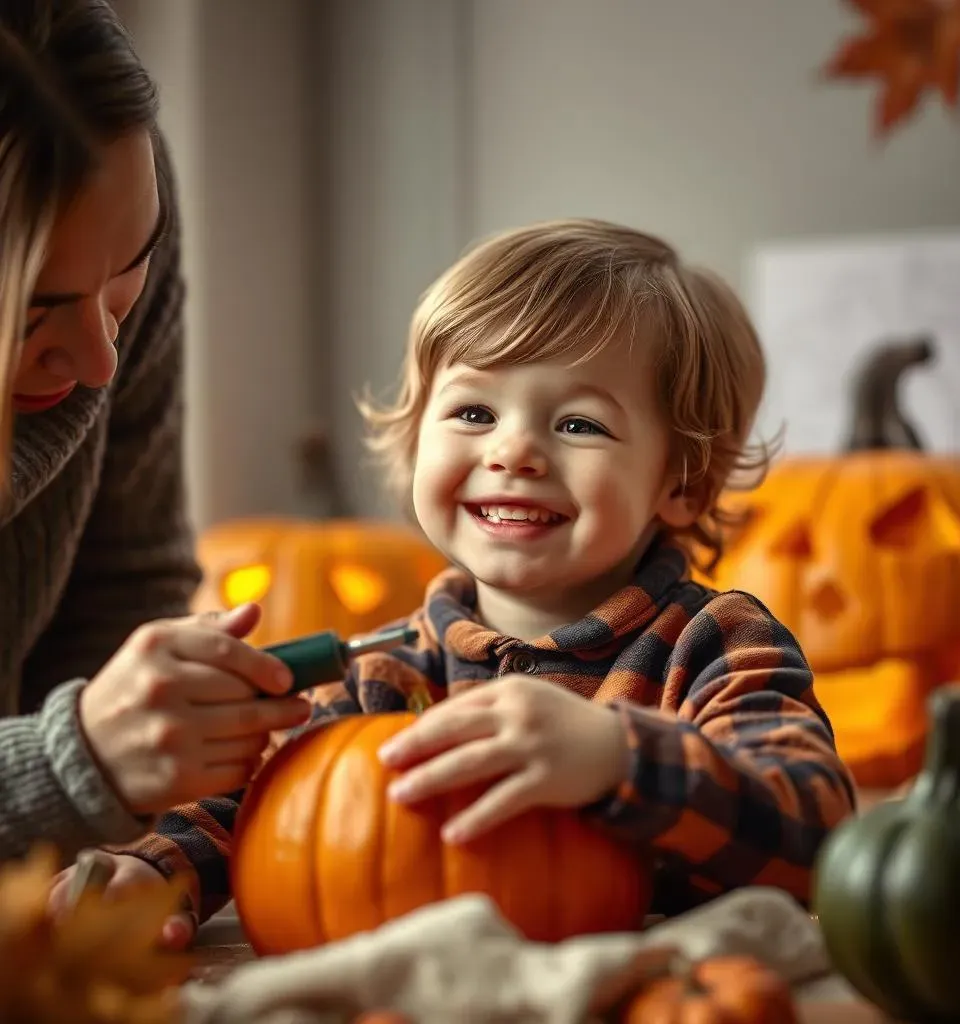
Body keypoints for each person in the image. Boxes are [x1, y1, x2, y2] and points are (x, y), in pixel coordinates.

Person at [53, 219, 857, 946]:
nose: (514, 452)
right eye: (474, 412)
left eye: (578, 424)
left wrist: (617, 760)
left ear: (681, 483)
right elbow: (261, 802)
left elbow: (817, 829)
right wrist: (158, 870)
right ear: (414, 444)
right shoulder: (388, 669)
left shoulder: (713, 644)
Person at [0, 0, 310, 865]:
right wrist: (73, 766)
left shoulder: (112, 182)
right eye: (36, 309)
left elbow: (122, 581)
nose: (103, 363)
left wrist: (141, 827)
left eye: (126, 277)